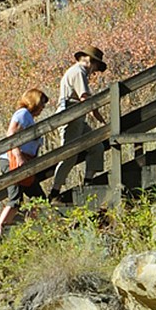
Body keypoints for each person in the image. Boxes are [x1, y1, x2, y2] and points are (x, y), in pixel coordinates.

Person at [48, 46, 108, 200]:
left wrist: (100, 119)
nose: (94, 71)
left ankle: (88, 182)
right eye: (95, 66)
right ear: (89, 60)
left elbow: (86, 101)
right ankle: (54, 192)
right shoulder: (79, 71)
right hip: (71, 116)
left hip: (78, 117)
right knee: (69, 155)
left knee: (97, 147)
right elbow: (85, 99)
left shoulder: (77, 72)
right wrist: (101, 119)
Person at [0, 88, 49, 239]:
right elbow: (11, 134)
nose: (43, 107)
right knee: (15, 200)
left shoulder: (29, 117)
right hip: (14, 161)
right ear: (35, 101)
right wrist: (18, 156)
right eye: (42, 103)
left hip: (25, 162)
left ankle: (29, 230)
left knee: (39, 199)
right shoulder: (23, 114)